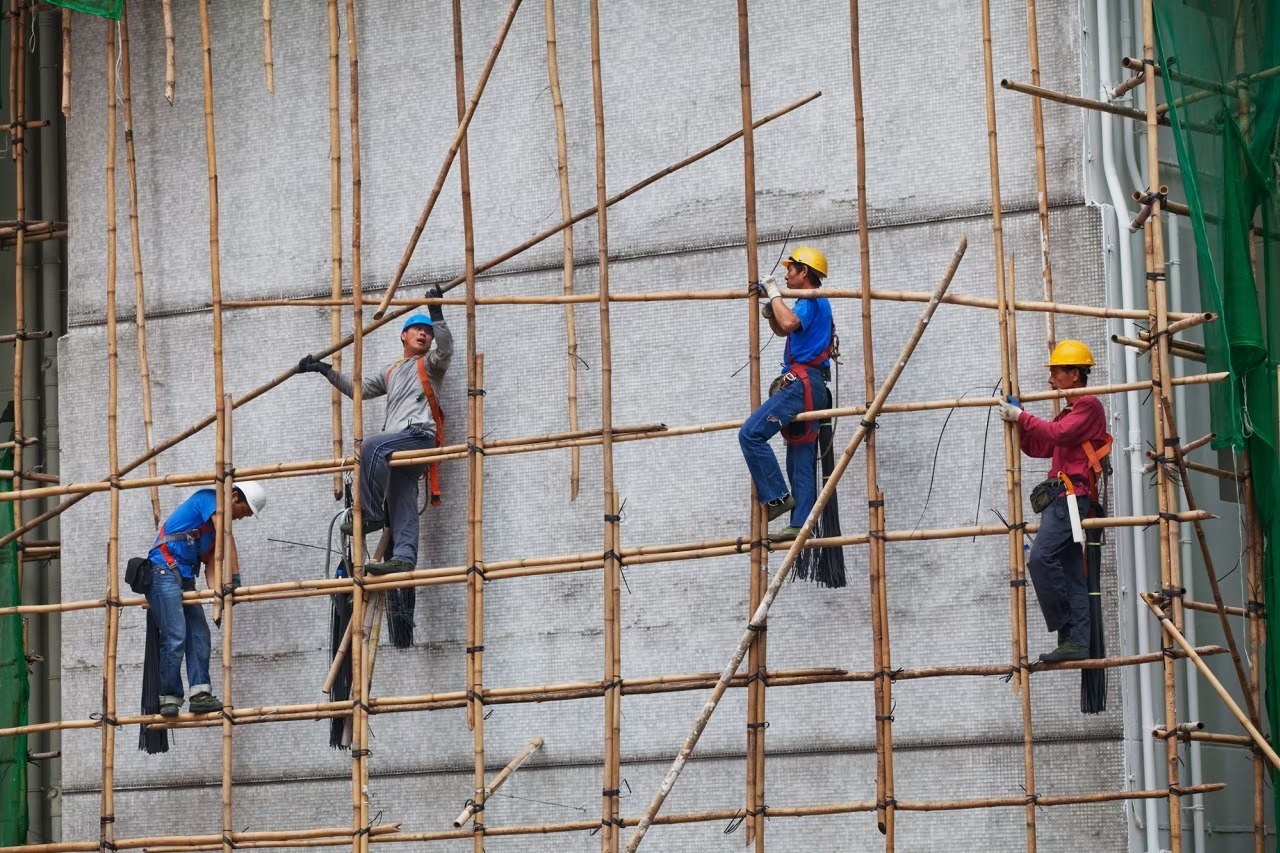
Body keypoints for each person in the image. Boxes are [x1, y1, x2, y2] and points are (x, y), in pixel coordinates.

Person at [299, 289, 452, 575]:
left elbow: (446, 350)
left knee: (371, 447)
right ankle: (404, 557)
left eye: (428, 332)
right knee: (402, 498)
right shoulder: (391, 371)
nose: (424, 334)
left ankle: (371, 515)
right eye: (417, 329)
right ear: (403, 336)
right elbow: (357, 390)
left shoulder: (431, 365)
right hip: (401, 445)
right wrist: (324, 370)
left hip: (418, 436)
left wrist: (436, 312)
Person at [998, 340, 1111, 663]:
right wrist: (1018, 423)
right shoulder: (1070, 412)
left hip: (1070, 498)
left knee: (1040, 559)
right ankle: (1074, 641)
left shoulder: (1089, 406)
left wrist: (1022, 415)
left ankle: (1064, 625)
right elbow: (1039, 446)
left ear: (1075, 374)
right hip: (1062, 499)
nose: (1051, 380)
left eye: (1056, 372)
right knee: (1072, 572)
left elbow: (1058, 434)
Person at [738, 247, 835, 540]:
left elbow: (790, 322)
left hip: (802, 383)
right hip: (812, 384)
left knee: (750, 434)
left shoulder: (809, 298)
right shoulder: (811, 303)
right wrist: (772, 310)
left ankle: (778, 498)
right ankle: (799, 522)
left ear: (804, 272)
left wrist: (772, 292)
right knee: (800, 453)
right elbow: (783, 328)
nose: (786, 274)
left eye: (790, 270)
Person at [148, 482, 267, 717]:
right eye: (243, 512)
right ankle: (169, 697)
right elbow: (227, 539)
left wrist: (221, 595)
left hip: (184, 578)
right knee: (176, 635)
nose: (241, 519)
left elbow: (212, 569)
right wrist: (235, 578)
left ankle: (200, 693)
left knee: (199, 634)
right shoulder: (209, 499)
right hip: (162, 569)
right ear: (233, 497)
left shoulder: (212, 534)